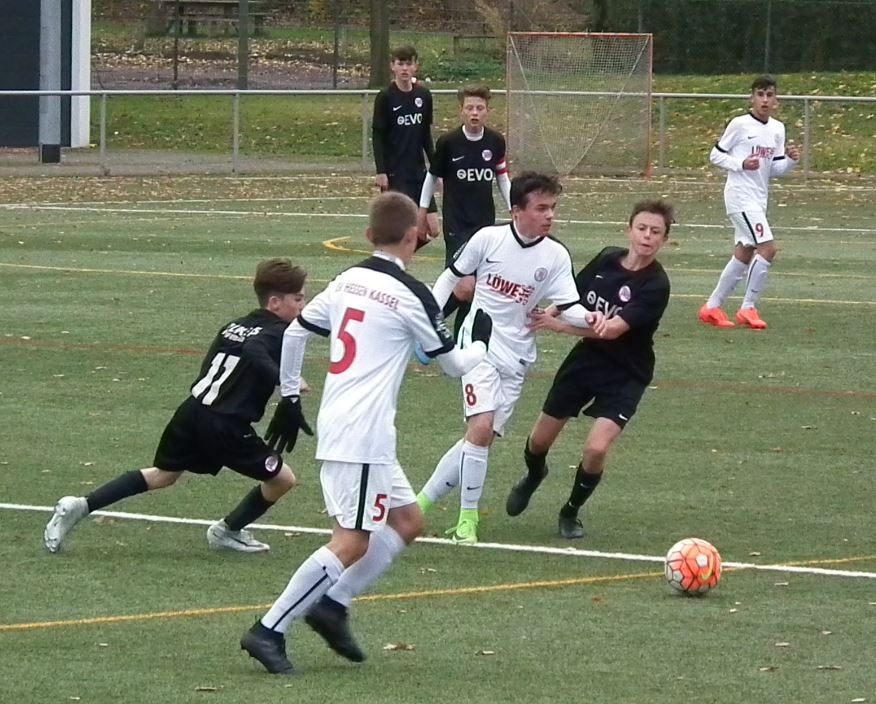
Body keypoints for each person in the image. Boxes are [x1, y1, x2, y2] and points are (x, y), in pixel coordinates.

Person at [239, 191, 494, 675]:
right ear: (415, 236)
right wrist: (480, 344)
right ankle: (269, 629)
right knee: (352, 541)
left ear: (369, 235)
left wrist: (290, 395)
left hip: (356, 429)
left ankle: (333, 605)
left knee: (407, 521)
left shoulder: (347, 279)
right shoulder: (412, 294)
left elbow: (296, 332)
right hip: (361, 433)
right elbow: (452, 365)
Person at [43, 258, 310, 554]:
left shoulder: (234, 325)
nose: (303, 305)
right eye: (298, 298)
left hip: (192, 411)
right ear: (274, 302)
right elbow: (254, 349)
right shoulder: (278, 331)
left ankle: (80, 505)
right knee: (282, 479)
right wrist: (286, 381)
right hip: (225, 424)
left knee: (163, 475)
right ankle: (228, 530)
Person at [415, 172, 602, 545]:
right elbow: (451, 278)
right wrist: (430, 324)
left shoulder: (555, 255)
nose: (550, 216)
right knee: (481, 426)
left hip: (518, 356)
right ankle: (467, 521)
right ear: (517, 211)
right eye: (541, 208)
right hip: (479, 344)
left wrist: (590, 318)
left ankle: (419, 503)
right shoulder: (488, 239)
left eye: (553, 208)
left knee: (479, 439)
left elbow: (569, 306)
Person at [504, 199, 674, 539]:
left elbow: (611, 330)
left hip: (627, 372)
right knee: (539, 440)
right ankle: (534, 474)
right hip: (586, 361)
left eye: (655, 232)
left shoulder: (656, 284)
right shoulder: (607, 258)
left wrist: (558, 327)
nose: (647, 236)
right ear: (628, 230)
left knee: (596, 448)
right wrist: (549, 313)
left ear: (664, 240)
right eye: (642, 228)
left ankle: (570, 511)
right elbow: (572, 294)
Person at [698, 74, 800, 330]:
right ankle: (747, 307)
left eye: (769, 95)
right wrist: (740, 163)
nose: (765, 100)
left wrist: (791, 161)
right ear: (751, 98)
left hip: (758, 198)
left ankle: (711, 307)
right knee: (768, 248)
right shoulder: (740, 125)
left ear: (776, 100)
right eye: (760, 95)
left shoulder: (777, 129)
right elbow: (715, 156)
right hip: (739, 196)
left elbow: (774, 169)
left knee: (744, 252)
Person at [418, 84, 511, 338]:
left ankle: (461, 338)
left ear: (487, 111)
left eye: (480, 108)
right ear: (461, 111)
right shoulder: (449, 142)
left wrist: (514, 206)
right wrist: (422, 210)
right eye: (469, 108)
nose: (474, 113)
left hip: (485, 225)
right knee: (464, 285)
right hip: (457, 225)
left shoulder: (495, 141)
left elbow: (502, 177)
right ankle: (426, 324)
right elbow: (431, 177)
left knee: (476, 287)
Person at [371, 45, 439, 243]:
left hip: (418, 171)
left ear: (415, 67)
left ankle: (401, 255)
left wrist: (437, 169)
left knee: (433, 229)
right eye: (400, 64)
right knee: (404, 227)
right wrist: (381, 171)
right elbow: (378, 135)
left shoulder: (423, 96)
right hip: (396, 172)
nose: (404, 69)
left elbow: (426, 135)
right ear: (392, 66)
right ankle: (395, 255)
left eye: (409, 64)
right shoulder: (385, 97)